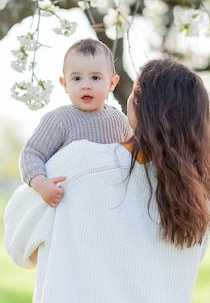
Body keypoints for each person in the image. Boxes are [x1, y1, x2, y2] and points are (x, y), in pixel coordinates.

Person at [5, 56, 210, 303]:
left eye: (132, 94)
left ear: (138, 107)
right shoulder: (202, 198)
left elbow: (18, 243)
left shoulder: (79, 164)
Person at [19, 37, 132, 207]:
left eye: (95, 78)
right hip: (70, 205)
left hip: (110, 204)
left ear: (111, 83)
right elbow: (31, 154)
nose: (86, 85)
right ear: (64, 84)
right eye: (77, 79)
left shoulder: (119, 121)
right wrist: (41, 184)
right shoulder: (58, 120)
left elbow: (133, 158)